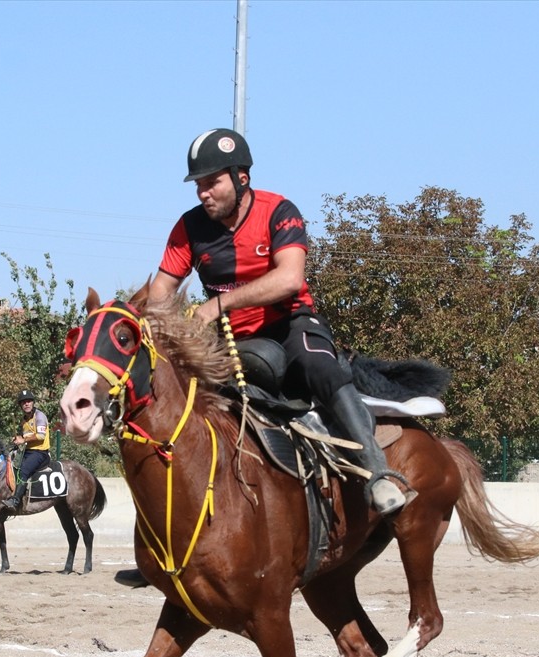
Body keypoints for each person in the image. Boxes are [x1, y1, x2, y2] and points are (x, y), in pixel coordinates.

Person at [149, 127, 409, 517]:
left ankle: (378, 472)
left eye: (212, 183)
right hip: (228, 342)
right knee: (172, 397)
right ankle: (161, 530)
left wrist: (217, 305)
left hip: (290, 324)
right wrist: (167, 329)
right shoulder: (188, 227)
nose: (203, 193)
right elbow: (160, 293)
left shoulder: (279, 211)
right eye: (198, 186)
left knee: (320, 366)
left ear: (241, 178)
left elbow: (289, 278)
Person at [2, 389, 51, 511]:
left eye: (29, 401)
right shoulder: (24, 420)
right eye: (23, 402)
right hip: (28, 452)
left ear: (33, 403)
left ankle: (16, 500)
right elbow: (26, 438)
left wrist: (23, 439)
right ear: (20, 405)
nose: (26, 404)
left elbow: (41, 436)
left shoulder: (40, 416)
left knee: (23, 471)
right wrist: (17, 440)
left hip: (41, 452)